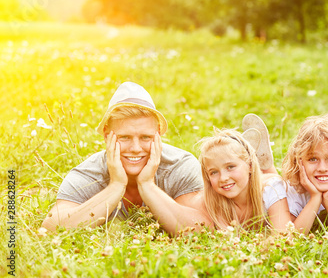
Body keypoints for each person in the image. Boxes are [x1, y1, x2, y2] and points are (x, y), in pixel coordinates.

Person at [41, 82, 207, 235]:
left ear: (158, 135)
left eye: (145, 137)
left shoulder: (179, 166)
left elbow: (202, 228)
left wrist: (147, 185)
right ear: (107, 136)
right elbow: (51, 228)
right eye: (125, 137)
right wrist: (116, 186)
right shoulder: (89, 173)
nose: (135, 148)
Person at [198, 125, 290, 231]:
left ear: (250, 166)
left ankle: (264, 161)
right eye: (214, 172)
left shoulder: (272, 188)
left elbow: (283, 236)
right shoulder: (213, 201)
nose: (223, 178)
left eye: (230, 167)